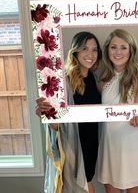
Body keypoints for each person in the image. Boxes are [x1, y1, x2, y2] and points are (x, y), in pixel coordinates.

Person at [36, 31, 102, 193]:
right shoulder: (63, 81)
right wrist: (47, 115)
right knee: (78, 186)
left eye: (94, 50)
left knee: (86, 183)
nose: (90, 54)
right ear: (75, 51)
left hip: (90, 144)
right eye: (85, 49)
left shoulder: (93, 78)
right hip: (73, 144)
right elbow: (57, 126)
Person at [97, 29, 138, 193]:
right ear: (107, 50)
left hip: (133, 145)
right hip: (109, 144)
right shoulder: (103, 80)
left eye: (123, 47)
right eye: (113, 47)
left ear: (131, 50)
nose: (118, 52)